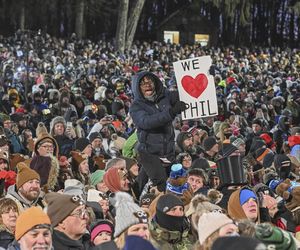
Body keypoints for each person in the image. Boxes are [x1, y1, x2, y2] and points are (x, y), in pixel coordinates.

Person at [129, 71, 187, 193]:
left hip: (168, 153)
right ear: (137, 88)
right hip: (150, 153)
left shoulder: (165, 96)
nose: (147, 85)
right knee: (162, 187)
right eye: (143, 83)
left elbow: (185, 94)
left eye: (150, 81)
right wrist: (171, 112)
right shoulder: (136, 106)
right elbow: (146, 122)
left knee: (177, 183)